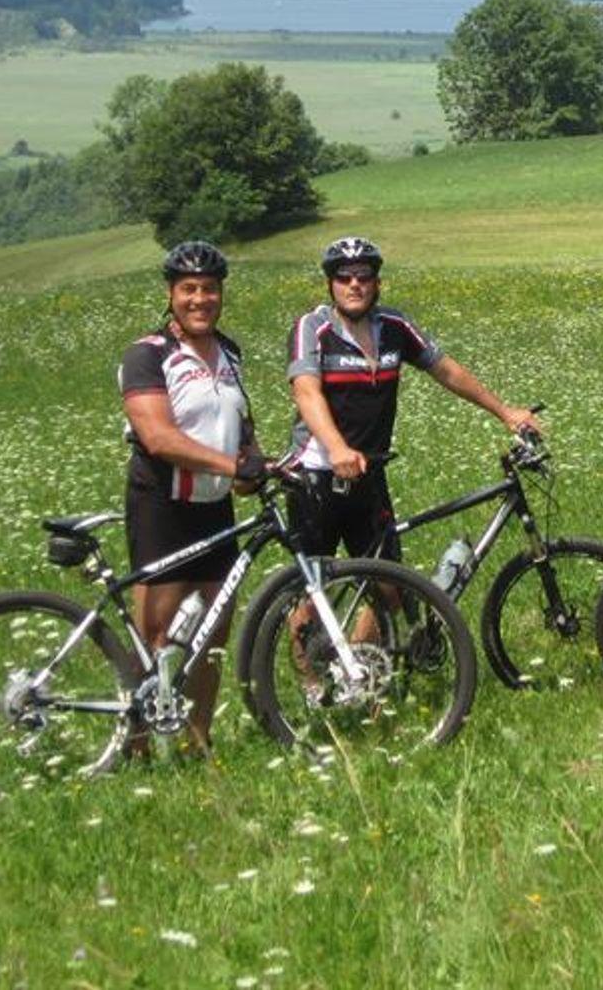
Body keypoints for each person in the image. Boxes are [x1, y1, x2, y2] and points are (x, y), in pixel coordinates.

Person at [284, 236, 537, 566]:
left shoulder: (394, 326)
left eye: (363, 276)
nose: (354, 285)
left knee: (389, 583)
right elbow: (306, 392)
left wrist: (505, 413)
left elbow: (446, 370)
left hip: (368, 472)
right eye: (343, 277)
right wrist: (336, 448)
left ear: (377, 283)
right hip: (316, 472)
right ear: (330, 285)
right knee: (312, 584)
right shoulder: (313, 327)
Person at [118, 239, 269, 753]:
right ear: (171, 294)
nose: (200, 299)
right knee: (155, 637)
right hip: (163, 508)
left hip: (216, 510)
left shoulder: (230, 352)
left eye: (209, 289)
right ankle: (135, 748)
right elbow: (158, 438)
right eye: (188, 289)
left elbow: (242, 426)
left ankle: (197, 745)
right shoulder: (147, 355)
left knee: (212, 635)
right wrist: (232, 466)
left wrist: (257, 466)